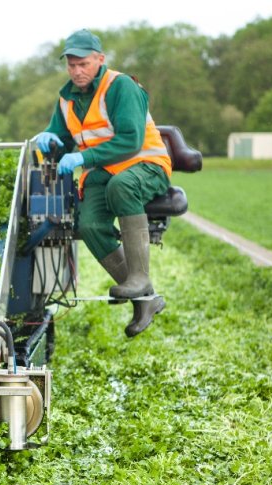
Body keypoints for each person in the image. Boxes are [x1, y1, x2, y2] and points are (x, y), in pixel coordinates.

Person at [35, 29, 173, 338]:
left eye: (83, 63)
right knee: (89, 225)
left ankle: (139, 278)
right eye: (71, 65)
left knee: (120, 187)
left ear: (100, 60)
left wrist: (82, 159)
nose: (77, 71)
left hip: (145, 166)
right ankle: (146, 299)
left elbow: (130, 141)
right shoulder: (67, 98)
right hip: (103, 172)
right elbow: (62, 138)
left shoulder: (121, 87)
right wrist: (51, 140)